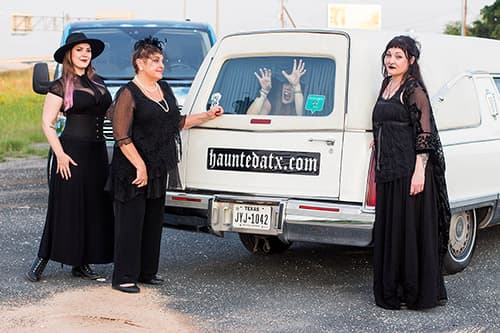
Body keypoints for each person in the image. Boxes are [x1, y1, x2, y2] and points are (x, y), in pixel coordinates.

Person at [107, 36, 223, 293]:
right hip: (132, 169)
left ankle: (147, 272)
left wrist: (207, 115)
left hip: (158, 167)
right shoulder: (128, 93)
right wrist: (140, 166)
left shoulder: (164, 88)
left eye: (162, 60)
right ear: (140, 63)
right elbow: (121, 135)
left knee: (152, 222)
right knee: (130, 224)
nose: (162, 65)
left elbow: (175, 123)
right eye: (155, 61)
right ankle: (124, 276)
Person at [25, 32, 114, 282]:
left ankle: (82, 263)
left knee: (94, 206)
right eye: (79, 50)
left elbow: (109, 114)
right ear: (70, 55)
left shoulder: (99, 82)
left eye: (87, 50)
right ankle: (41, 259)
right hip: (71, 152)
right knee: (66, 207)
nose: (85, 54)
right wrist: (60, 155)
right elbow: (47, 123)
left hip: (97, 152)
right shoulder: (61, 85)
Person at [371, 35, 451, 310]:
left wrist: (420, 172)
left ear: (411, 61)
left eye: (398, 56)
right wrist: (378, 137)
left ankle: (414, 293)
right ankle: (390, 291)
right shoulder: (386, 85)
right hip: (387, 171)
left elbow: (424, 135)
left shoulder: (413, 89)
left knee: (408, 232)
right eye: (388, 54)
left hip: (409, 173)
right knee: (390, 230)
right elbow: (386, 120)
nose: (391, 61)